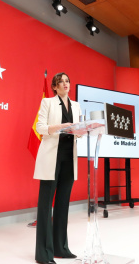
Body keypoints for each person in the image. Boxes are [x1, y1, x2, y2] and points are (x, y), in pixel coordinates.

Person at [34, 72, 81, 264]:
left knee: (63, 204)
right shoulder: (48, 103)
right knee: (46, 206)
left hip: (69, 158)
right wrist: (61, 126)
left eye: (67, 81)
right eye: (60, 82)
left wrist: (83, 130)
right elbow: (40, 128)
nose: (65, 84)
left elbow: (77, 129)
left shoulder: (77, 105)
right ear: (54, 87)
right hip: (51, 157)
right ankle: (44, 254)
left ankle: (61, 248)